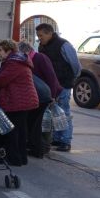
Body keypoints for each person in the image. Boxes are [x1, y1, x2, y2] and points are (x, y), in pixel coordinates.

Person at [0, 39, 39, 166]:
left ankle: (14, 158)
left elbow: (0, 81)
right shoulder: (17, 61)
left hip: (18, 101)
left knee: (12, 130)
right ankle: (21, 158)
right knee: (21, 130)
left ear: (9, 50)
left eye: (0, 50)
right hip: (24, 101)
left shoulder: (14, 63)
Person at [36, 23, 81, 152]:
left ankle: (65, 141)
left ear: (50, 33)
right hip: (50, 85)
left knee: (63, 112)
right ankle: (57, 138)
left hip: (63, 84)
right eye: (38, 36)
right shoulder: (42, 46)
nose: (39, 38)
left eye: (41, 35)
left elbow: (75, 65)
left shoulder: (63, 45)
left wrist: (72, 79)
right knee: (55, 113)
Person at [18, 41, 63, 157]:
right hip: (39, 95)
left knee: (40, 125)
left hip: (45, 96)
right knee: (37, 124)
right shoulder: (29, 59)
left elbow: (51, 78)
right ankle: (38, 148)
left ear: (26, 51)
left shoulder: (40, 58)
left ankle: (41, 149)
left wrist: (52, 97)